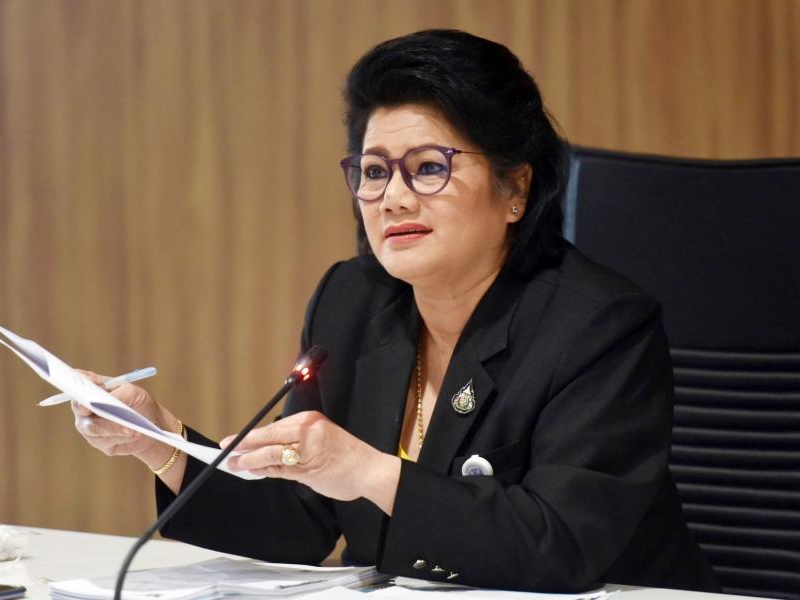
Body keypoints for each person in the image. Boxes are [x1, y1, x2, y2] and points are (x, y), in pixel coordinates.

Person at [72, 29, 720, 593]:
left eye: (429, 168)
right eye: (375, 171)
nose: (393, 199)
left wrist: (369, 471)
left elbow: (561, 545)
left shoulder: (599, 326)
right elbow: (300, 520)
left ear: (516, 188)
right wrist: (161, 440)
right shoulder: (352, 301)